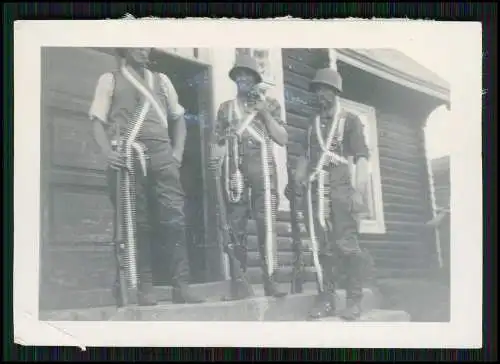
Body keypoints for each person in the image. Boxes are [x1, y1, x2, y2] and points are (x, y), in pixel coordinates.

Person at [88, 47, 205, 306]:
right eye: (136, 44)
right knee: (137, 221)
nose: (142, 49)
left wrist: (177, 153)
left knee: (174, 218)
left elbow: (179, 118)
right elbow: (96, 121)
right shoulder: (110, 79)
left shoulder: (162, 80)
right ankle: (145, 286)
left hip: (163, 156)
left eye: (146, 44)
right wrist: (108, 153)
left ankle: (181, 285)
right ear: (125, 48)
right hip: (129, 155)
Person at [291, 67, 372, 321]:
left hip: (341, 188)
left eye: (325, 89)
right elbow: (305, 156)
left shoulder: (350, 120)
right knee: (321, 247)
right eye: (317, 90)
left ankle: (354, 301)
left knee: (347, 245)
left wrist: (359, 193)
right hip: (317, 192)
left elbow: (361, 157)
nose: (320, 94)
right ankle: (326, 299)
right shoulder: (311, 123)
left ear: (336, 91)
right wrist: (297, 181)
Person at [210, 54, 289, 300]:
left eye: (248, 75)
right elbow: (217, 141)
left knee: (267, 225)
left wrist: (264, 113)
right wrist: (216, 157)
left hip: (263, 171)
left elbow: (283, 138)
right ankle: (240, 281)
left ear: (256, 79)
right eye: (239, 75)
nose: (243, 78)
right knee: (236, 227)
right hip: (234, 173)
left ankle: (271, 280)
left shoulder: (271, 104)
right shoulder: (225, 108)